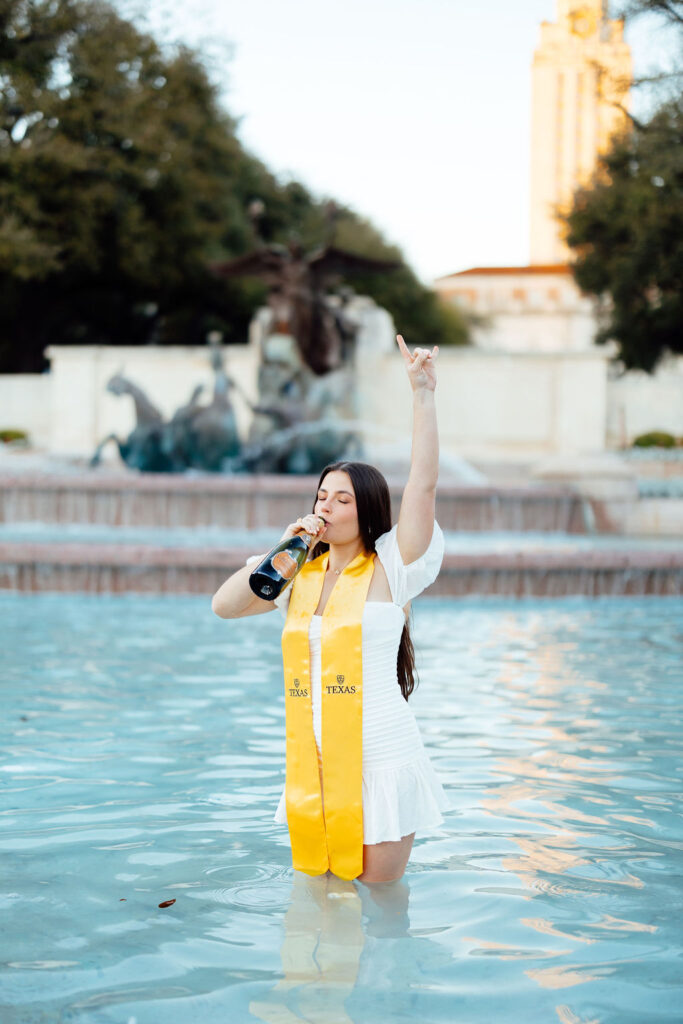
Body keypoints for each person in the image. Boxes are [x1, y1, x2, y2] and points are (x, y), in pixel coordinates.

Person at [211, 334, 450, 883]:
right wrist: (282, 550)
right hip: (313, 759)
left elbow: (424, 484)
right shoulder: (294, 572)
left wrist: (423, 393)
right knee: (318, 907)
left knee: (380, 913)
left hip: (381, 755)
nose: (327, 506)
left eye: (342, 499)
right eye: (323, 496)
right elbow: (225, 607)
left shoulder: (393, 562)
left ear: (366, 510)